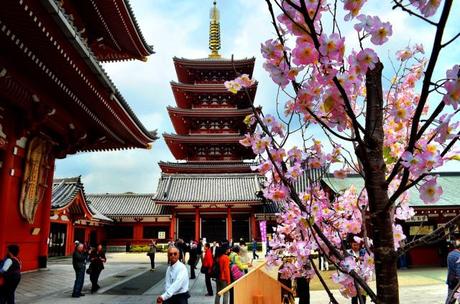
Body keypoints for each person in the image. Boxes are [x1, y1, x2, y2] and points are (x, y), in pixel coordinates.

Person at [348, 239, 366, 304]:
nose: (355, 246)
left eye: (357, 245)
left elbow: (367, 261)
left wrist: (362, 259)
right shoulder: (349, 252)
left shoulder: (363, 251)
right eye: (354, 245)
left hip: (362, 275)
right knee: (354, 294)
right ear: (351, 244)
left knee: (363, 293)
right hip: (353, 276)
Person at [446, 235, 460, 304]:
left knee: (450, 299)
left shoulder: (450, 254)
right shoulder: (458, 256)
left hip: (451, 281)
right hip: (458, 284)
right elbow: (459, 271)